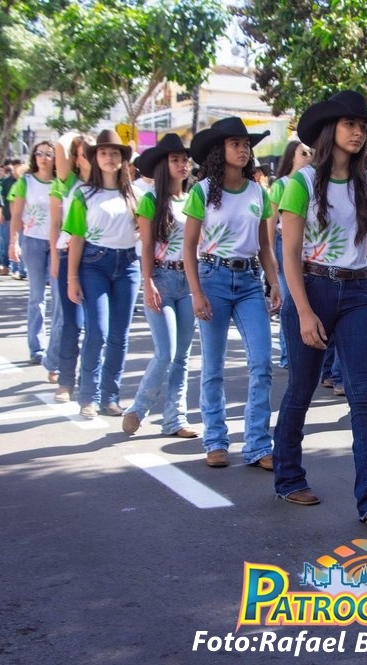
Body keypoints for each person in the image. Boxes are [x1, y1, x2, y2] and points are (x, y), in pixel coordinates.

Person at [274, 90, 367, 523]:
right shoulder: (301, 183)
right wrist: (304, 312)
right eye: (350, 124)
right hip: (311, 288)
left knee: (362, 395)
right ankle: (289, 478)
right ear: (330, 129)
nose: (358, 132)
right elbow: (289, 255)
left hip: (357, 291)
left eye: (363, 126)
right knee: (301, 388)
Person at [183, 117, 280, 469]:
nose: (243, 150)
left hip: (250, 280)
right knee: (213, 366)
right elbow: (188, 247)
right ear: (219, 150)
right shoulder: (202, 191)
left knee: (262, 362)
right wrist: (196, 293)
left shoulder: (258, 192)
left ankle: (258, 445)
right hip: (212, 278)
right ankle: (215, 440)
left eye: (246, 144)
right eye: (235, 144)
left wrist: (275, 283)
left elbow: (265, 246)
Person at [122, 134, 199, 439]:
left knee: (183, 356)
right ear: (163, 165)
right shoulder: (151, 200)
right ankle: (139, 408)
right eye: (175, 160)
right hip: (161, 279)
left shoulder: (193, 198)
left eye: (184, 160)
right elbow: (146, 245)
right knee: (166, 352)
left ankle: (175, 419)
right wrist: (148, 281)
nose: (182, 165)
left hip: (189, 280)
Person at [63, 129, 141, 419]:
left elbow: (146, 232)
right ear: (95, 158)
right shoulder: (84, 194)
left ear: (123, 159)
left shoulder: (135, 194)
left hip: (128, 265)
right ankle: (89, 396)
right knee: (98, 331)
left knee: (120, 335)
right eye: (104, 153)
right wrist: (72, 278)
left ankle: (111, 397)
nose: (109, 158)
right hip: (94, 263)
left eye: (115, 153)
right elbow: (77, 238)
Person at [50, 133, 92, 403]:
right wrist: (55, 258)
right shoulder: (69, 182)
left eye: (91, 152)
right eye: (82, 153)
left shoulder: (107, 183)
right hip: (68, 254)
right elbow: (59, 147)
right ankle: (66, 381)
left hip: (98, 256)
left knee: (97, 327)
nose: (87, 157)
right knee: (72, 323)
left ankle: (91, 382)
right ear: (75, 158)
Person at [9, 141, 57, 367]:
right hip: (33, 240)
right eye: (40, 154)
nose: (44, 158)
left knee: (59, 297)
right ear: (34, 157)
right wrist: (13, 242)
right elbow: (16, 214)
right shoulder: (26, 182)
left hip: (58, 243)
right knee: (37, 297)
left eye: (49, 154)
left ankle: (56, 349)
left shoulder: (62, 182)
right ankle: (37, 348)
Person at [267, 140, 315, 370]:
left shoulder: (314, 181)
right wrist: (270, 256)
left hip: (310, 245)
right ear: (291, 157)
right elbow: (270, 223)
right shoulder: (281, 184)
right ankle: (287, 355)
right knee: (290, 300)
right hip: (282, 243)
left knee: (308, 298)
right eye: (303, 153)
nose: (308, 156)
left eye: (310, 153)